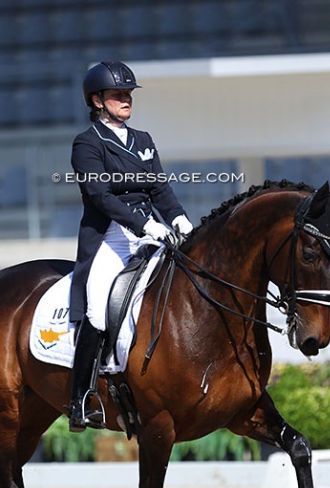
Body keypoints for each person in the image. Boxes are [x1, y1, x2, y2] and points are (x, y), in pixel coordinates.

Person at [67, 60, 193, 432]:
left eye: (128, 94)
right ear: (97, 100)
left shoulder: (143, 140)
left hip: (152, 230)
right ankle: (81, 398)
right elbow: (100, 195)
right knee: (96, 306)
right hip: (111, 235)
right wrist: (144, 224)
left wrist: (179, 218)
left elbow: (159, 188)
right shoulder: (87, 144)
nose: (126, 100)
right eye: (118, 95)